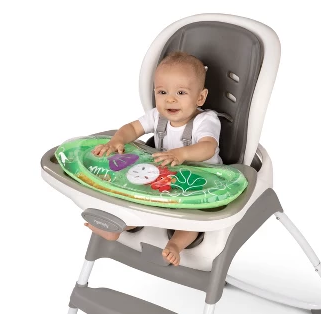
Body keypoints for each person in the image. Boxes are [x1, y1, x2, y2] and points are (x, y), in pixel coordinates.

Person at [85, 51, 222, 266]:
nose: (170, 99)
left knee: (193, 219)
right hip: (163, 178)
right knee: (134, 201)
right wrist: (117, 140)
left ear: (200, 97)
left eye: (181, 92)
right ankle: (118, 227)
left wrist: (181, 153)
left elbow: (208, 147)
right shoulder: (157, 116)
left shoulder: (206, 120)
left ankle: (175, 244)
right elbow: (132, 128)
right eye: (162, 92)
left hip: (199, 183)